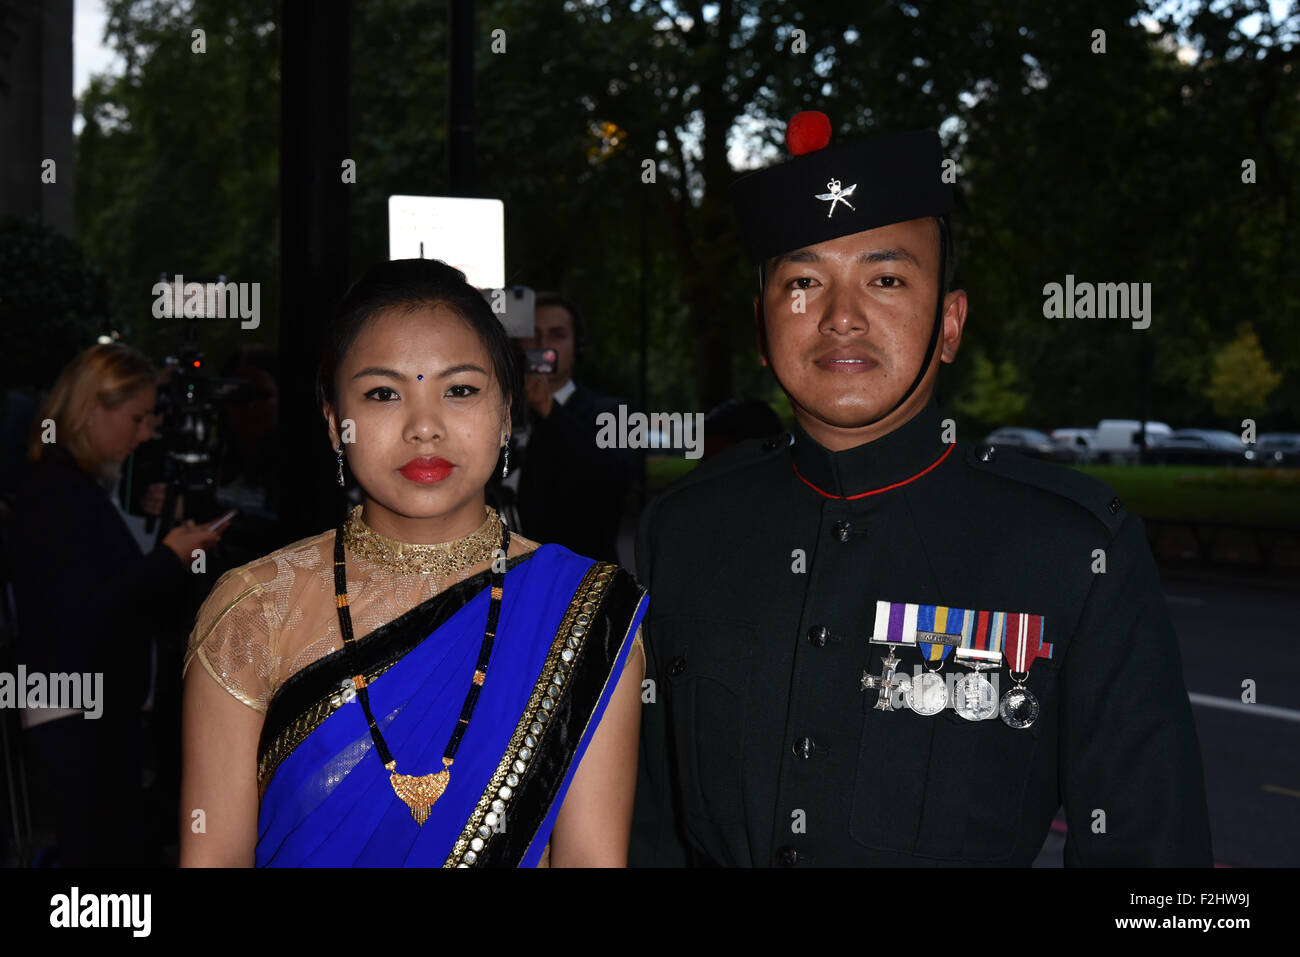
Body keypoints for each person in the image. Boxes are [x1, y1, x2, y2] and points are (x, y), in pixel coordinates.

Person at [629, 112, 1213, 867]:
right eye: (804, 281)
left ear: (949, 323)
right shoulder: (686, 532)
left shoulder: (1070, 552)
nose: (841, 316)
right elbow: (644, 831)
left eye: (886, 278)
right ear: (762, 323)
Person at [180, 259, 648, 867]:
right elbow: (212, 858)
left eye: (459, 390)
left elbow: (590, 859)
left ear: (506, 413)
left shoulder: (587, 613)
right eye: (382, 393)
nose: (424, 427)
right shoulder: (253, 610)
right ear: (332, 422)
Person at [7, 343, 224, 865]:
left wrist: (161, 540)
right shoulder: (58, 489)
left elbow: (96, 581)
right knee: (98, 852)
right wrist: (170, 557)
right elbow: (86, 608)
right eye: (138, 417)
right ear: (92, 408)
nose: (146, 432)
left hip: (82, 703)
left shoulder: (67, 483)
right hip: (77, 707)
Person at [514, 293, 636, 563]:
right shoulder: (495, 412)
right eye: (532, 335)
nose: (543, 345)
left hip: (581, 582)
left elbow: (612, 480)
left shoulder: (616, 412)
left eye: (557, 335)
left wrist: (550, 410)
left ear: (576, 347)